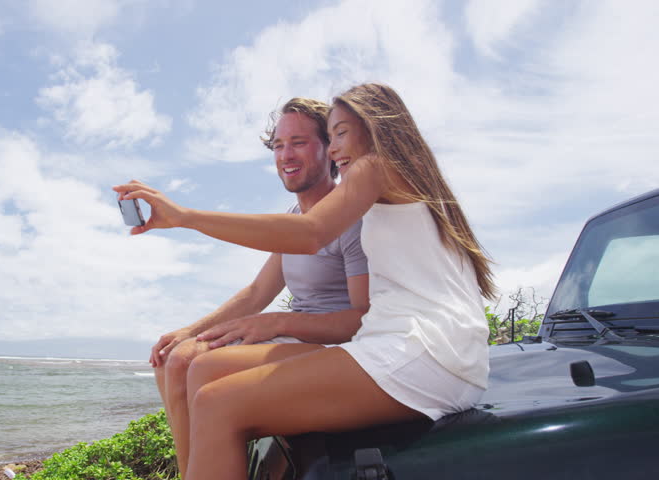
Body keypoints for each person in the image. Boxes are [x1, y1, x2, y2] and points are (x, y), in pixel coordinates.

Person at [114, 83, 495, 480]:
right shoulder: (388, 185)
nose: (333, 149)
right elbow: (262, 285)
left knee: (217, 403)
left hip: (425, 353)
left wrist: (185, 217)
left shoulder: (376, 167)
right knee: (208, 388)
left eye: (340, 133)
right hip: (417, 349)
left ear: (376, 126)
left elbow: (311, 234)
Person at [150, 97, 370, 478]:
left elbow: (361, 320)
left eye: (299, 142)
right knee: (172, 357)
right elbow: (256, 294)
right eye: (279, 145)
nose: (286, 154)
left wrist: (278, 323)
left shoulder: (348, 216)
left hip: (333, 348)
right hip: (293, 339)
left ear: (329, 149)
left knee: (192, 363)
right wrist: (190, 330)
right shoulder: (295, 217)